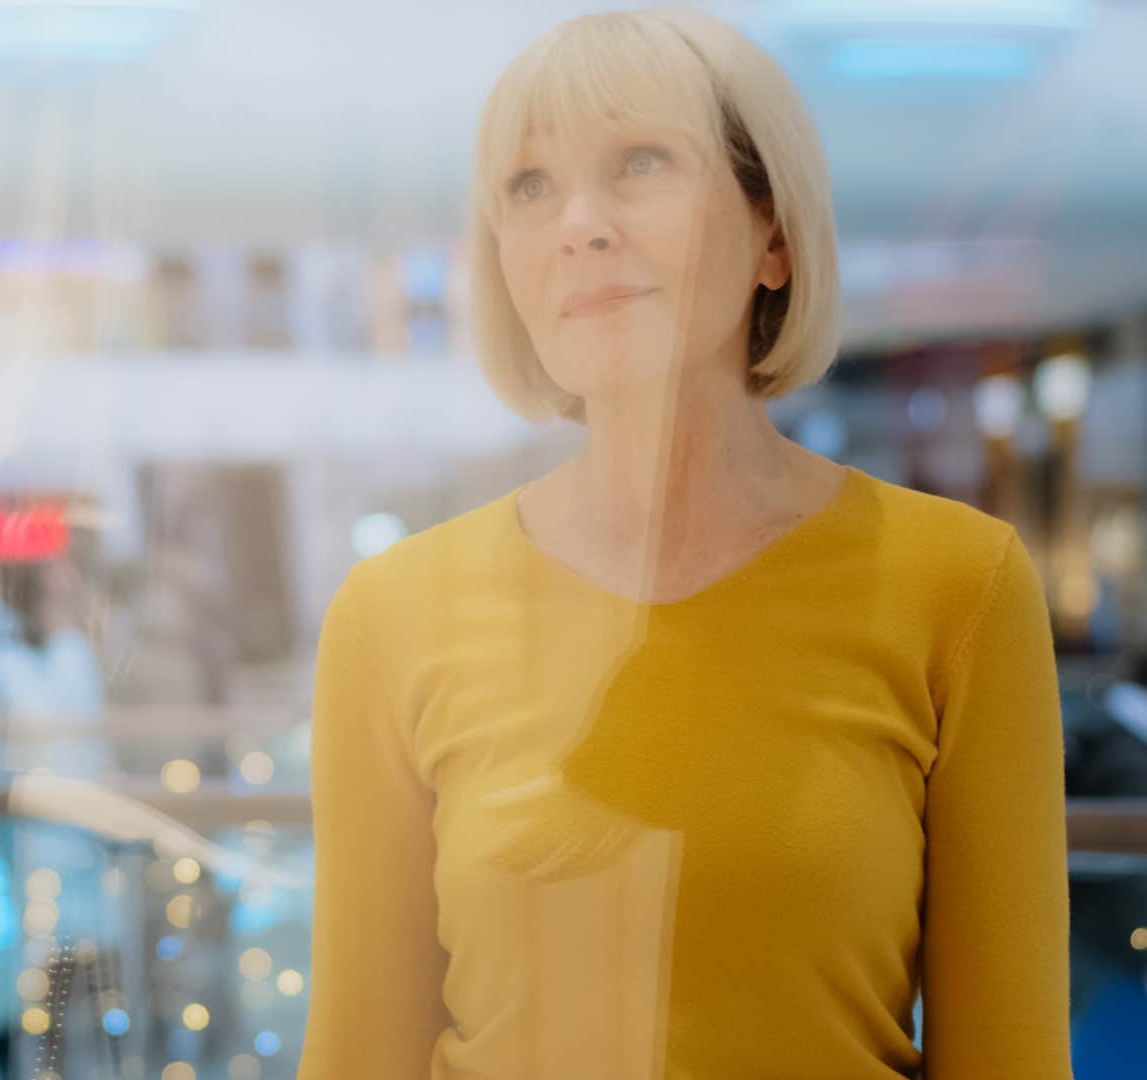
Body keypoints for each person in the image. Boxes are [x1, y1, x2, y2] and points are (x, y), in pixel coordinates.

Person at [301, 7, 1070, 1078]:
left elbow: (1013, 1057)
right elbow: (357, 1060)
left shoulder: (959, 584)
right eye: (530, 186)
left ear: (774, 236)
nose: (578, 222)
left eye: (641, 163)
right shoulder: (392, 613)